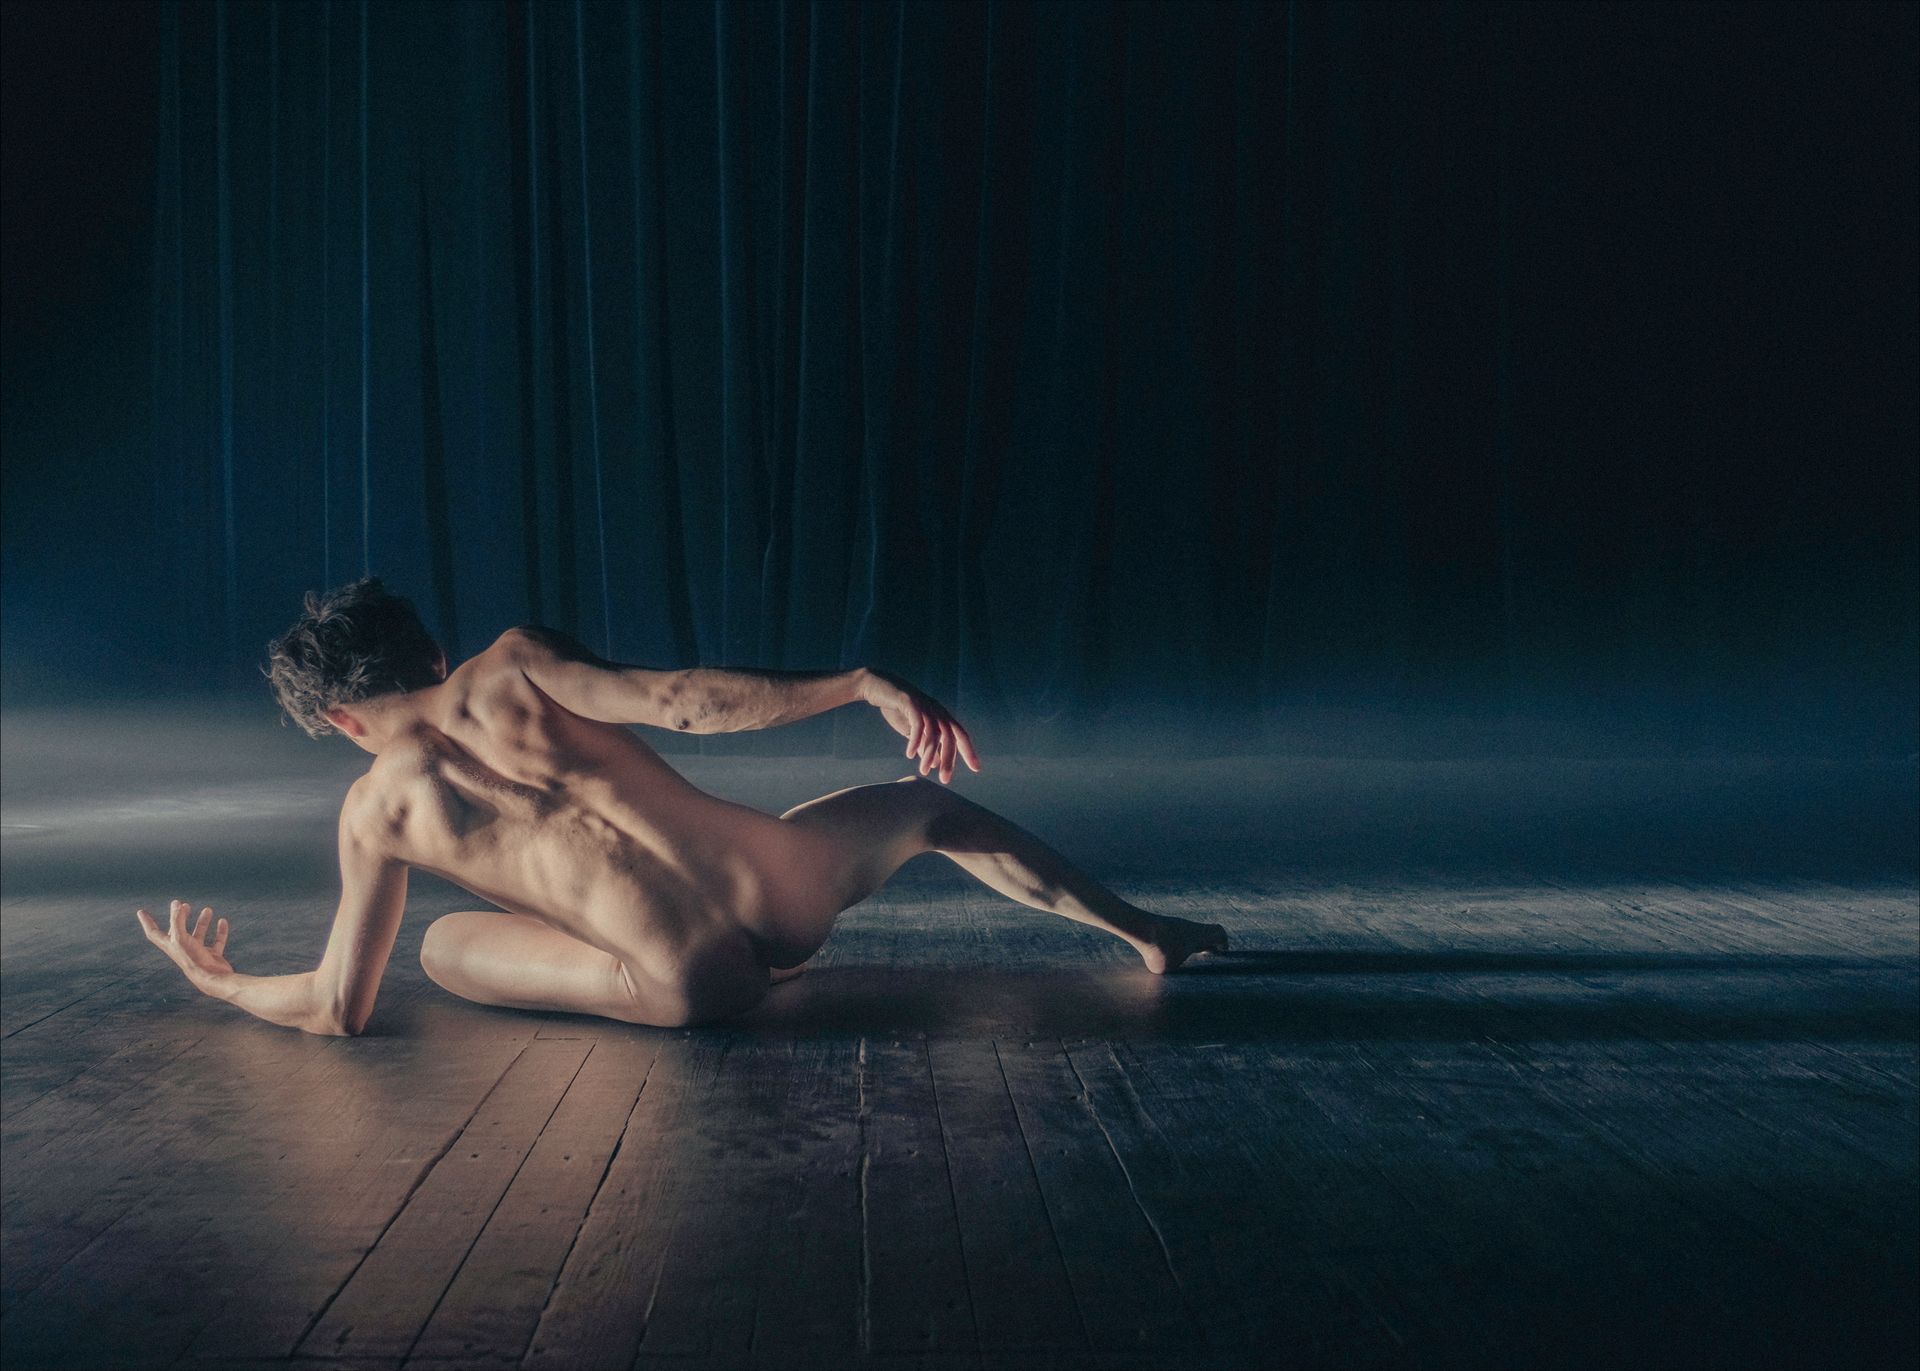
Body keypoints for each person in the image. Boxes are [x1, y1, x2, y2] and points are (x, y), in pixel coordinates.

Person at [135, 578, 1229, 1034]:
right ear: (429, 649)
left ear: (339, 721)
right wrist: (857, 684)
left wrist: (222, 985)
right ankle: (1146, 936)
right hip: (782, 892)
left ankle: (683, 961)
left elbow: (338, 1009)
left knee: (438, 948)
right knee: (928, 808)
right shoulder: (510, 666)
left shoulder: (375, 812)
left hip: (681, 981)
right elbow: (684, 703)